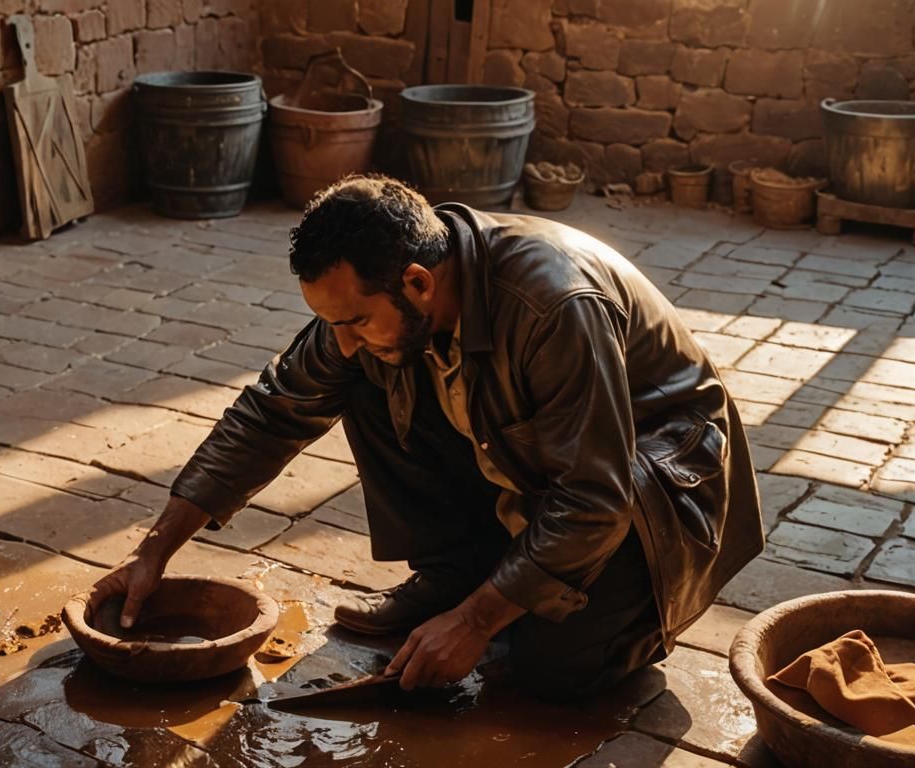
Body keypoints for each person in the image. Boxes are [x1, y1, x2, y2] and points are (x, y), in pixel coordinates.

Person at [88, 175, 764, 698]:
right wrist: (156, 550)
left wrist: (476, 624)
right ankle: (458, 572)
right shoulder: (384, 298)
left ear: (417, 282)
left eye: (354, 320)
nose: (342, 341)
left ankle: (624, 618)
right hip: (561, 469)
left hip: (657, 484)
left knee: (553, 674)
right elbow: (273, 411)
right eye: (333, 324)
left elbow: (594, 496)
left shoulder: (553, 305)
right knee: (368, 373)